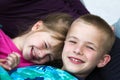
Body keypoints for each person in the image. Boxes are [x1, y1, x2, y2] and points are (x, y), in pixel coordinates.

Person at [0, 14, 115, 80]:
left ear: (102, 60)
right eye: (73, 42)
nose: (77, 50)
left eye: (90, 47)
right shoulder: (36, 68)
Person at [0, 12, 73, 70]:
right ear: (37, 26)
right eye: (45, 45)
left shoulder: (34, 70)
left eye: (49, 56)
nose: (41, 55)